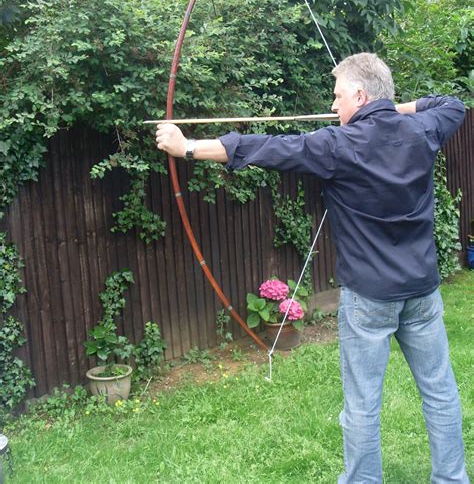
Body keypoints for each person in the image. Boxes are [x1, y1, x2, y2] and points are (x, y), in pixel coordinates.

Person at [156, 52, 469, 483]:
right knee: (439, 391)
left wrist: (185, 146)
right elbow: (451, 105)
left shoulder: (337, 145)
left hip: (371, 299)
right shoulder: (421, 130)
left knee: (362, 404)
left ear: (360, 95)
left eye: (340, 96)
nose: (334, 105)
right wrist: (388, 110)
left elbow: (262, 148)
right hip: (422, 290)